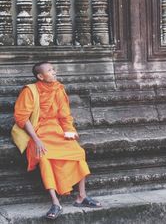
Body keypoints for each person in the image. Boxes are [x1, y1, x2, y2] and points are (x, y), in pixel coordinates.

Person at [13, 61, 101, 220]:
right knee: (44, 157)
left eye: (53, 69)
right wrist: (37, 140)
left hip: (56, 130)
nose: (54, 72)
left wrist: (69, 132)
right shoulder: (30, 91)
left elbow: (65, 116)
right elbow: (22, 118)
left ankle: (81, 196)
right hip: (38, 132)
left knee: (78, 152)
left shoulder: (58, 89)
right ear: (40, 76)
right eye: (49, 70)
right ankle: (55, 202)